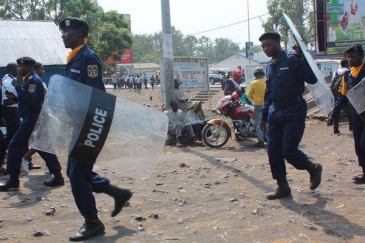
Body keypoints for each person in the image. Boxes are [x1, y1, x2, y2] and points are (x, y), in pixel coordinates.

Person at [59, 17, 132, 241]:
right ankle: (117, 193)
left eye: (67, 32)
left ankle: (93, 223)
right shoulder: (75, 58)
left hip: (89, 125)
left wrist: (93, 128)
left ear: (80, 32)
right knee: (78, 171)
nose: (63, 36)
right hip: (78, 125)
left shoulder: (88, 58)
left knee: (76, 175)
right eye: (62, 33)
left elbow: (98, 97)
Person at [259, 32, 322, 200]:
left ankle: (312, 168)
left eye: (269, 45)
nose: (266, 49)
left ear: (279, 43)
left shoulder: (293, 60)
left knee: (288, 150)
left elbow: (312, 79)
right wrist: (264, 116)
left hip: (294, 111)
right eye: (263, 46)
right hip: (275, 113)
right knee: (273, 151)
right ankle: (283, 187)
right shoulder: (269, 66)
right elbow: (268, 94)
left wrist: (304, 58)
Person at [0, 57, 65, 191]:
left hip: (33, 118)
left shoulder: (32, 81)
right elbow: (25, 99)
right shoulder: (27, 80)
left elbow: (30, 101)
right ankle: (58, 175)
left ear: (29, 67)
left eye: (21, 67)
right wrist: (15, 97)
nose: (18, 69)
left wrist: (17, 87)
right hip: (35, 117)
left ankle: (13, 179)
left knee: (14, 145)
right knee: (41, 146)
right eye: (17, 67)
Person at [327, 44, 365, 184]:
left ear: (361, 56)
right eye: (348, 57)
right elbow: (342, 96)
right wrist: (334, 113)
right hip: (357, 113)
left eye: (354, 57)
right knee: (358, 145)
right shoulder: (347, 75)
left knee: (364, 142)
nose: (350, 60)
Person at [21, 62, 51, 175]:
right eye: (42, 69)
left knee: (42, 140)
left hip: (44, 114)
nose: (43, 71)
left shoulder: (40, 82)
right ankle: (25, 159)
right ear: (36, 69)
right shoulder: (36, 82)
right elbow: (34, 102)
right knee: (43, 140)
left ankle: (26, 159)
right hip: (40, 116)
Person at [329, 59, 352, 134]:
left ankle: (336, 128)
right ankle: (351, 126)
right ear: (346, 64)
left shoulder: (336, 72)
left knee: (337, 109)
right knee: (349, 110)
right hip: (346, 93)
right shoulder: (348, 72)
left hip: (336, 93)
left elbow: (333, 82)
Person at [247, 67, 266, 148]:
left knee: (258, 124)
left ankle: (261, 141)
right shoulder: (266, 81)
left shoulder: (253, 83)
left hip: (258, 105)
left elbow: (249, 95)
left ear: (255, 74)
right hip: (267, 105)